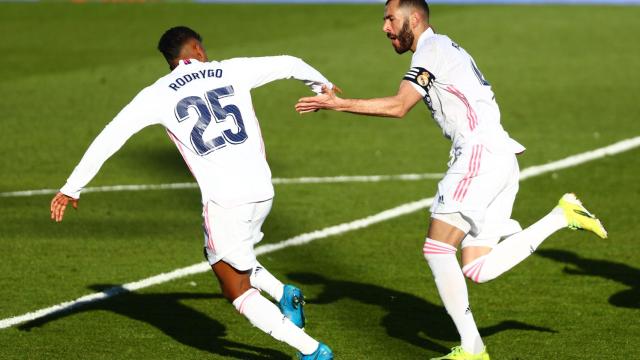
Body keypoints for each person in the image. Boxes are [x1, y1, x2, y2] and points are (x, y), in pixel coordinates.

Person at [295, 1, 607, 359]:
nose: (385, 27)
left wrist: (340, 104)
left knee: (437, 248)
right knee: (477, 268)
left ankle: (473, 350)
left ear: (413, 19)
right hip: (498, 156)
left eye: (390, 19)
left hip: (478, 155)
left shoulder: (431, 50)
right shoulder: (445, 47)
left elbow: (399, 106)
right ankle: (561, 215)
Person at [50, 26, 334, 360]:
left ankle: (311, 350)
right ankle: (283, 293)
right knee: (229, 254)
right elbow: (289, 62)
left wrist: (73, 187)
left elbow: (112, 135)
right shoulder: (232, 69)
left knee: (234, 287)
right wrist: (321, 86)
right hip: (262, 191)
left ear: (170, 59)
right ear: (196, 48)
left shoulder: (156, 94)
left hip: (225, 200)